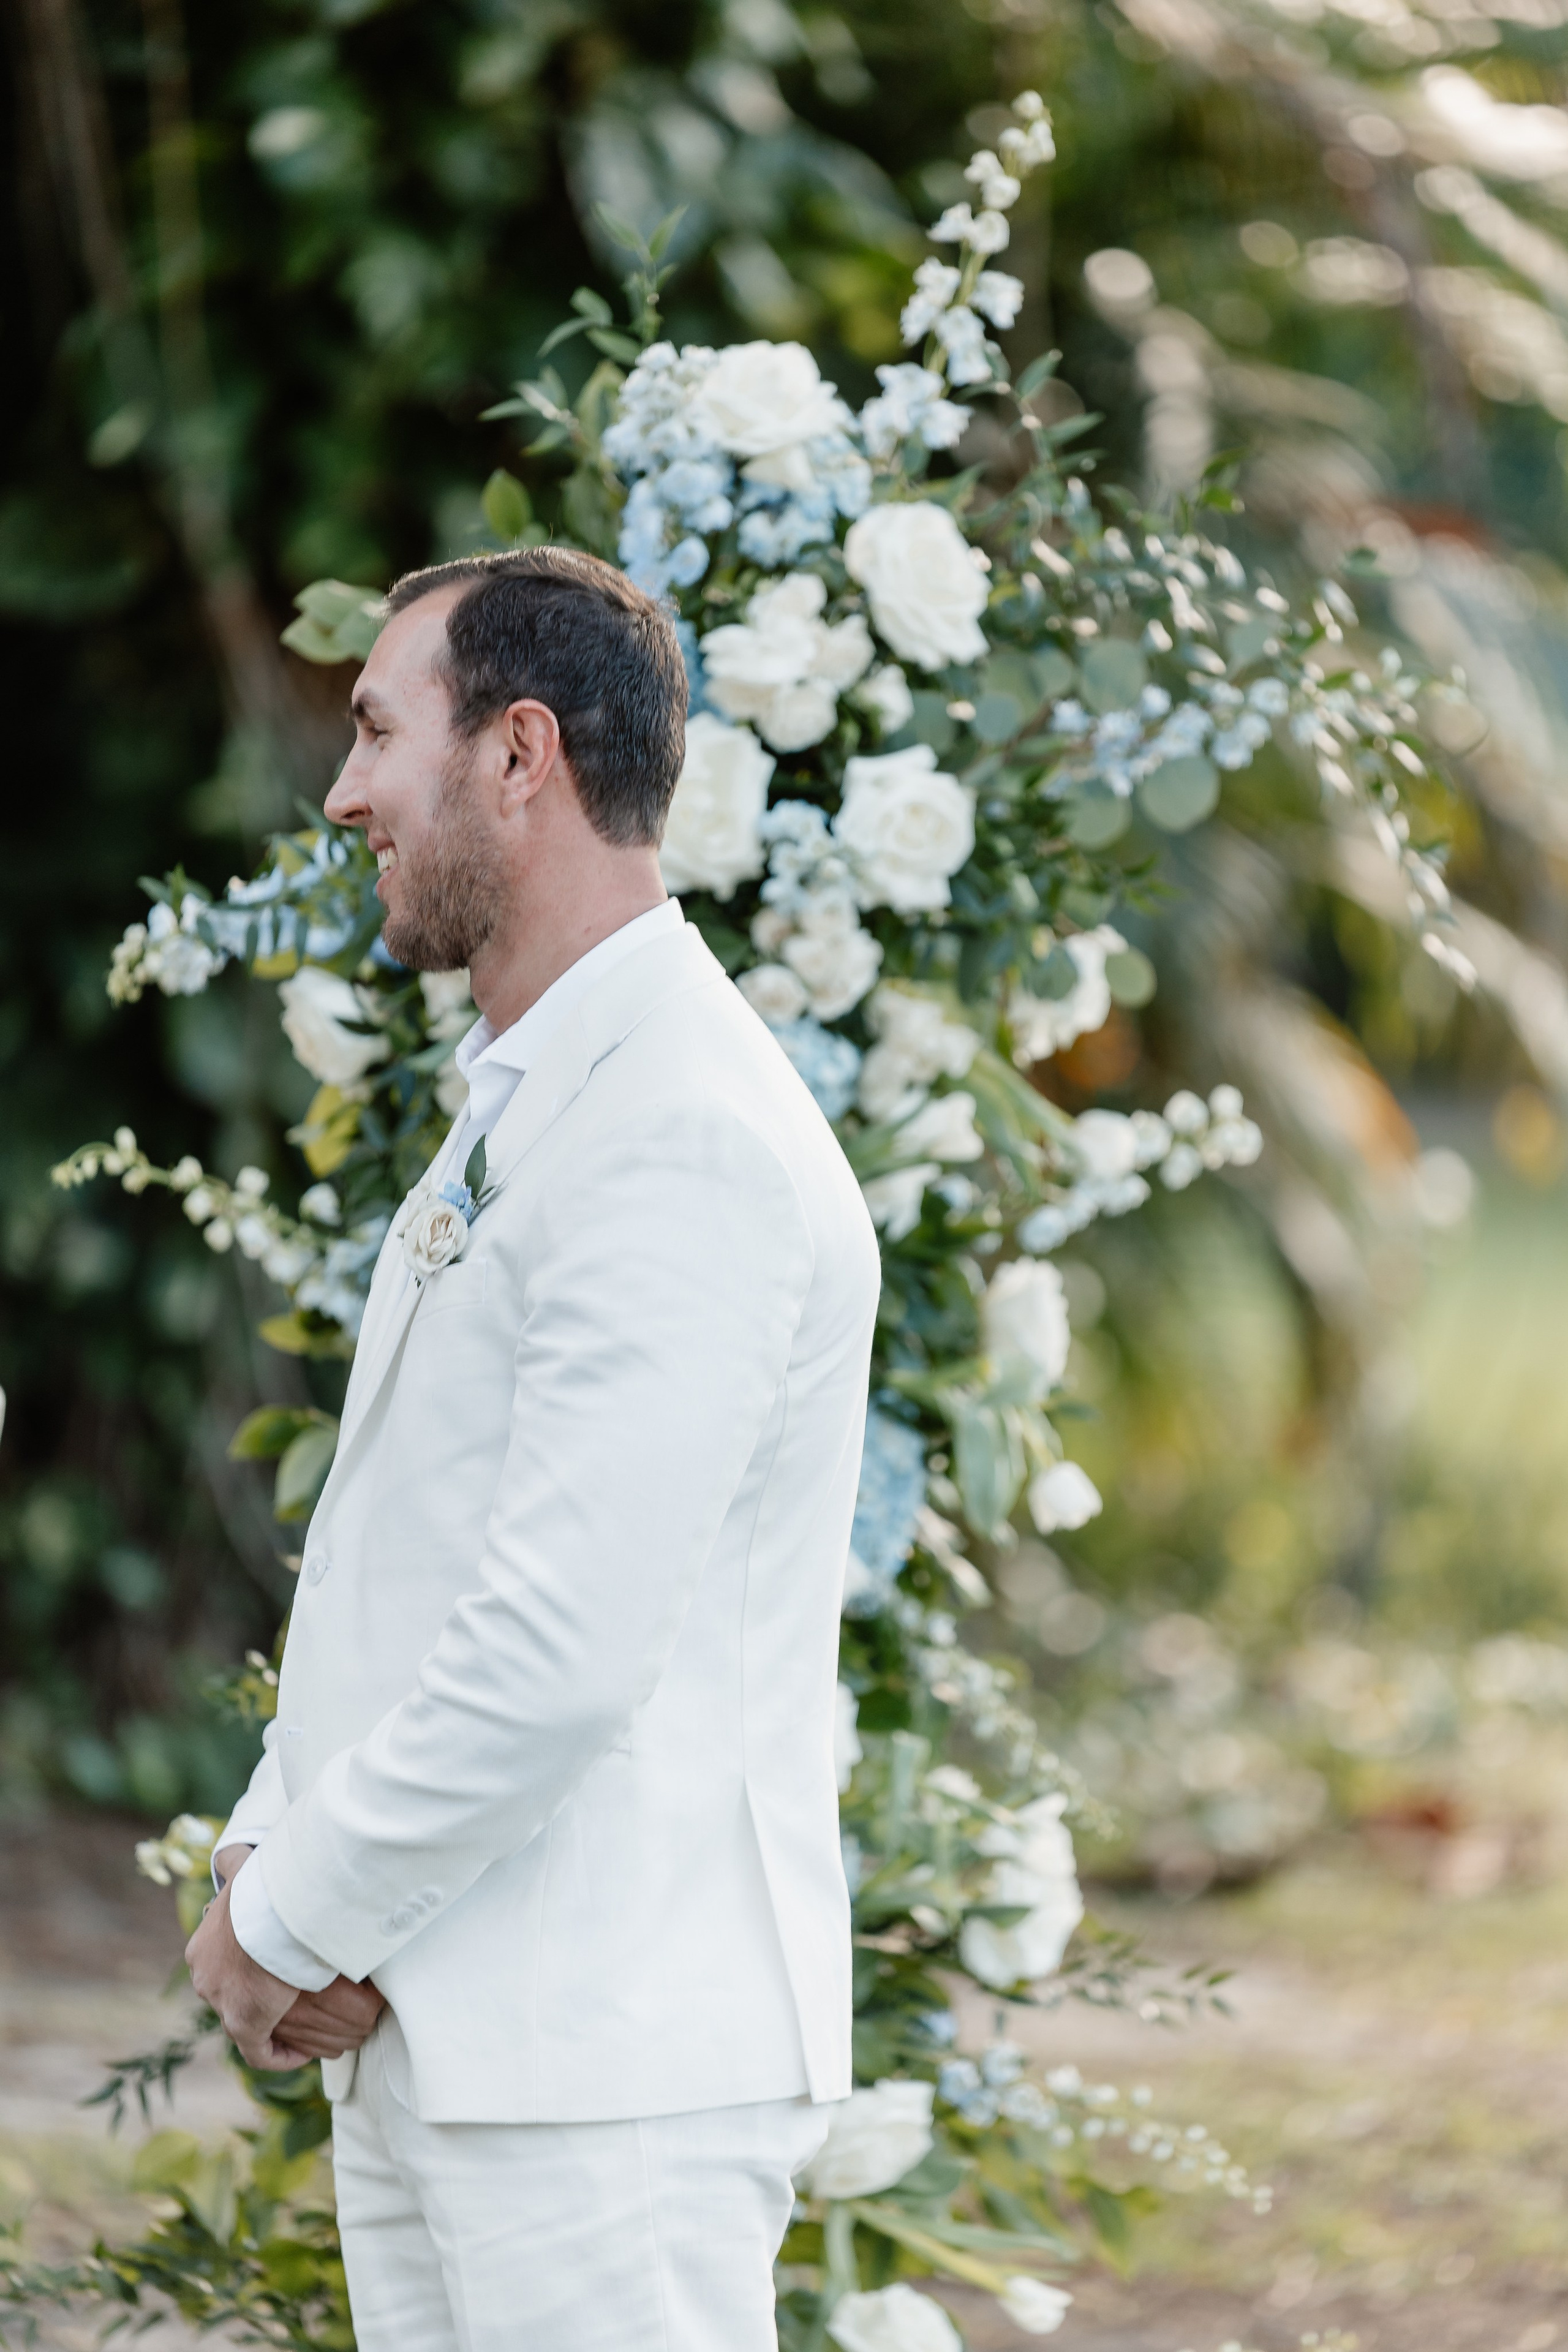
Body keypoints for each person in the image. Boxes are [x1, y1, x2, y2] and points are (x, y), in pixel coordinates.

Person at [184, 546, 881, 2352]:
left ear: (519, 754)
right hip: (468, 2040)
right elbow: (398, 1562)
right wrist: (269, 1866)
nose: (341, 792)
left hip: (607, 2084)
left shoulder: (681, 1133)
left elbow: (556, 1648)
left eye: (374, 729)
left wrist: (294, 1917)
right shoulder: (538, 1095)